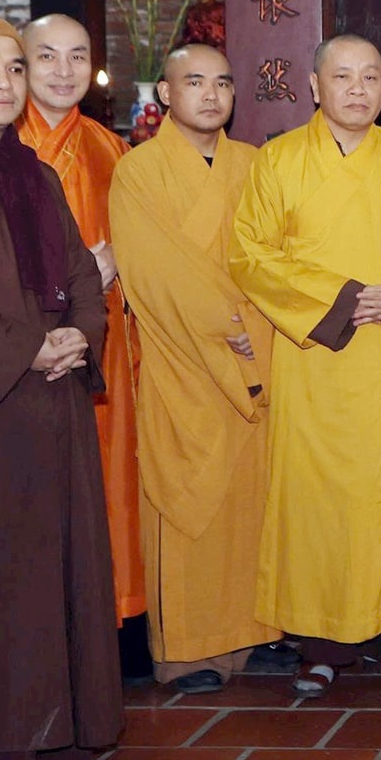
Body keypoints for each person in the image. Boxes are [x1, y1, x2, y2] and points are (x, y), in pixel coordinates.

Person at [230, 33, 381, 697]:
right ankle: (321, 641)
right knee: (319, 501)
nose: (358, 89)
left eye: (371, 77)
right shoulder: (279, 163)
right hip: (320, 358)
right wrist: (342, 300)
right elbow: (251, 255)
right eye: (344, 77)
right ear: (314, 85)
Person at [0, 0, 122, 760]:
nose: (5, 82)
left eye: (11, 69)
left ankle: (64, 732)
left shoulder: (30, 173)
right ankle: (1, 757)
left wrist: (78, 336)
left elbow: (80, 273)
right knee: (0, 588)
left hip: (54, 400)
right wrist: (22, 345)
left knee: (64, 574)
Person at [108, 44, 283, 695]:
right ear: (163, 94)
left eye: (223, 83)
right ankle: (186, 651)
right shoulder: (139, 172)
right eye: (194, 82)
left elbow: (277, 255)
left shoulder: (257, 166)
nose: (211, 94)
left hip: (258, 355)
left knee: (254, 502)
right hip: (186, 360)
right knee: (189, 503)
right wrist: (226, 326)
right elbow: (153, 271)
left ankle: (259, 634)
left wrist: (254, 328)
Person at [17, 13, 148, 662]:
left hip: (103, 341)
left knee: (110, 477)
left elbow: (132, 232)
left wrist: (115, 258)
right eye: (48, 57)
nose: (64, 71)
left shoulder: (106, 145)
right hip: (22, 343)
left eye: (77, 57)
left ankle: (115, 622)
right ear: (22, 64)